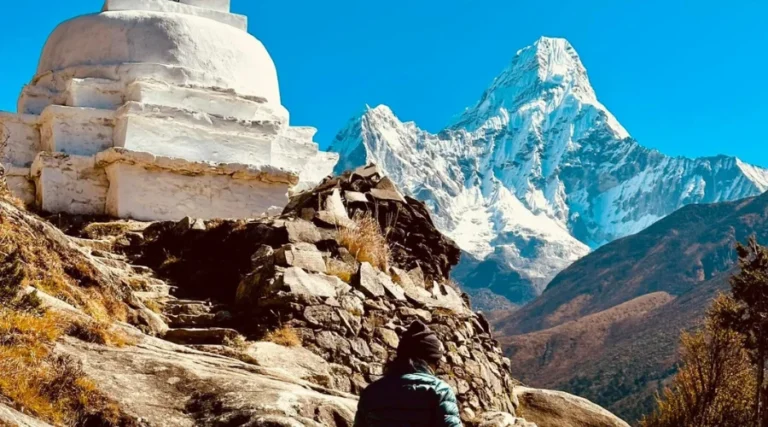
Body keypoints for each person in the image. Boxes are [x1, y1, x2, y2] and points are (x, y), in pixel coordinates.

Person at [353, 320, 462, 426]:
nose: (437, 367)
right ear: (429, 361)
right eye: (436, 362)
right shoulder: (440, 391)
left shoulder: (371, 392)